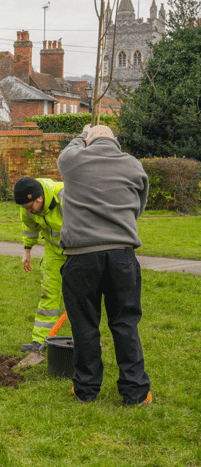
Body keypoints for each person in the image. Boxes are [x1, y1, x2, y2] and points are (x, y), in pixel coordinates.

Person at [57, 124, 152, 405]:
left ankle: (85, 389)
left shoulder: (73, 159)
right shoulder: (133, 165)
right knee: (125, 323)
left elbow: (69, 151)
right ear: (117, 142)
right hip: (122, 256)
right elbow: (139, 206)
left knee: (84, 325)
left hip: (81, 256)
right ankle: (135, 392)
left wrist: (83, 133)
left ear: (87, 141)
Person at [13, 176, 67, 365]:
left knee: (80, 297)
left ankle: (84, 343)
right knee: (48, 294)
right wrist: (27, 252)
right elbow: (30, 227)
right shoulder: (26, 208)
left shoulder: (65, 196)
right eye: (24, 208)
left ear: (40, 199)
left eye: (29, 207)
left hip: (78, 250)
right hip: (53, 250)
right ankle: (40, 341)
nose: (27, 211)